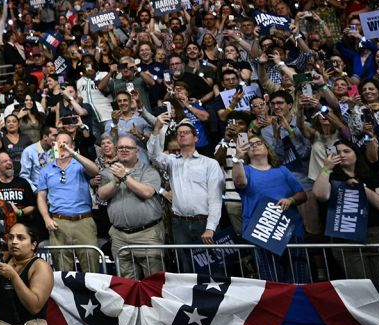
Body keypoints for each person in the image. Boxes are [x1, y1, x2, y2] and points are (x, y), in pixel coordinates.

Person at [313, 139, 379, 280]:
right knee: (361, 286)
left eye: (347, 151)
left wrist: (362, 188)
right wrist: (326, 168)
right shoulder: (330, 177)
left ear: (356, 154)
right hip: (346, 238)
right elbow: (320, 195)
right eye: (338, 152)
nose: (342, 154)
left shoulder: (372, 176)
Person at [148, 119, 225, 274]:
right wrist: (156, 129)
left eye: (186, 132)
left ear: (195, 138)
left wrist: (210, 228)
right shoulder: (171, 161)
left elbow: (215, 198)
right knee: (186, 268)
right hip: (179, 223)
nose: (182, 135)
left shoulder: (209, 163)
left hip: (204, 222)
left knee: (213, 268)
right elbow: (153, 155)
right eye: (179, 133)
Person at [229, 135, 309, 282]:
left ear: (267, 148)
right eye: (250, 144)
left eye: (259, 143)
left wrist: (291, 199)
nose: (254, 146)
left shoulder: (282, 170)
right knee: (271, 281)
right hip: (261, 231)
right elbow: (240, 183)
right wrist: (237, 158)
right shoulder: (245, 170)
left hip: (290, 229)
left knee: (299, 279)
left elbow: (302, 195)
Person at [97, 133, 166, 279]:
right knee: (127, 282)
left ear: (137, 151)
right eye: (120, 147)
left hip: (147, 235)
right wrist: (115, 181)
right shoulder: (108, 173)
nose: (124, 150)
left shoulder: (149, 171)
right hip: (119, 236)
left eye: (129, 147)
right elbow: (102, 195)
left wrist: (125, 177)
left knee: (154, 281)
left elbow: (147, 192)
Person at [36, 131, 102, 272]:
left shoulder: (79, 165)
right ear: (53, 146)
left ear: (72, 145)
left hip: (84, 220)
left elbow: (95, 170)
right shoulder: (46, 170)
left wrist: (73, 153)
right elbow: (41, 197)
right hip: (58, 222)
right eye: (59, 143)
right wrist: (46, 218)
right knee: (62, 269)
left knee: (91, 266)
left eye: (65, 143)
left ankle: (91, 294)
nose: (62, 147)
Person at [0, 222, 53, 325]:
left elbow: (34, 306)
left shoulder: (41, 266)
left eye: (21, 238)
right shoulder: (5, 258)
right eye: (11, 237)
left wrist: (13, 276)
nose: (14, 242)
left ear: (33, 245)